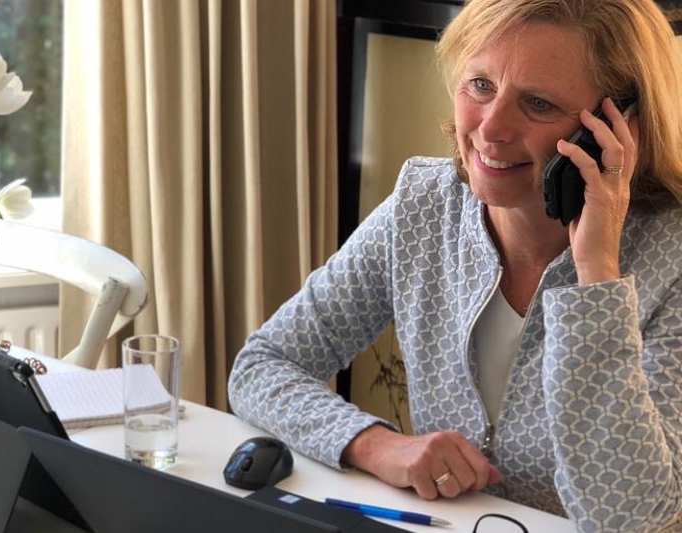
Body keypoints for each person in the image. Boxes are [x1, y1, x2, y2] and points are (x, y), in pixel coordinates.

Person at [228, 0, 682, 531]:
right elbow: (263, 365)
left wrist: (597, 275)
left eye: (537, 103)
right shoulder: (423, 204)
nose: (490, 129)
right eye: (481, 85)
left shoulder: (672, 260)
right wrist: (376, 445)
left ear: (619, 127)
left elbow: (633, 517)